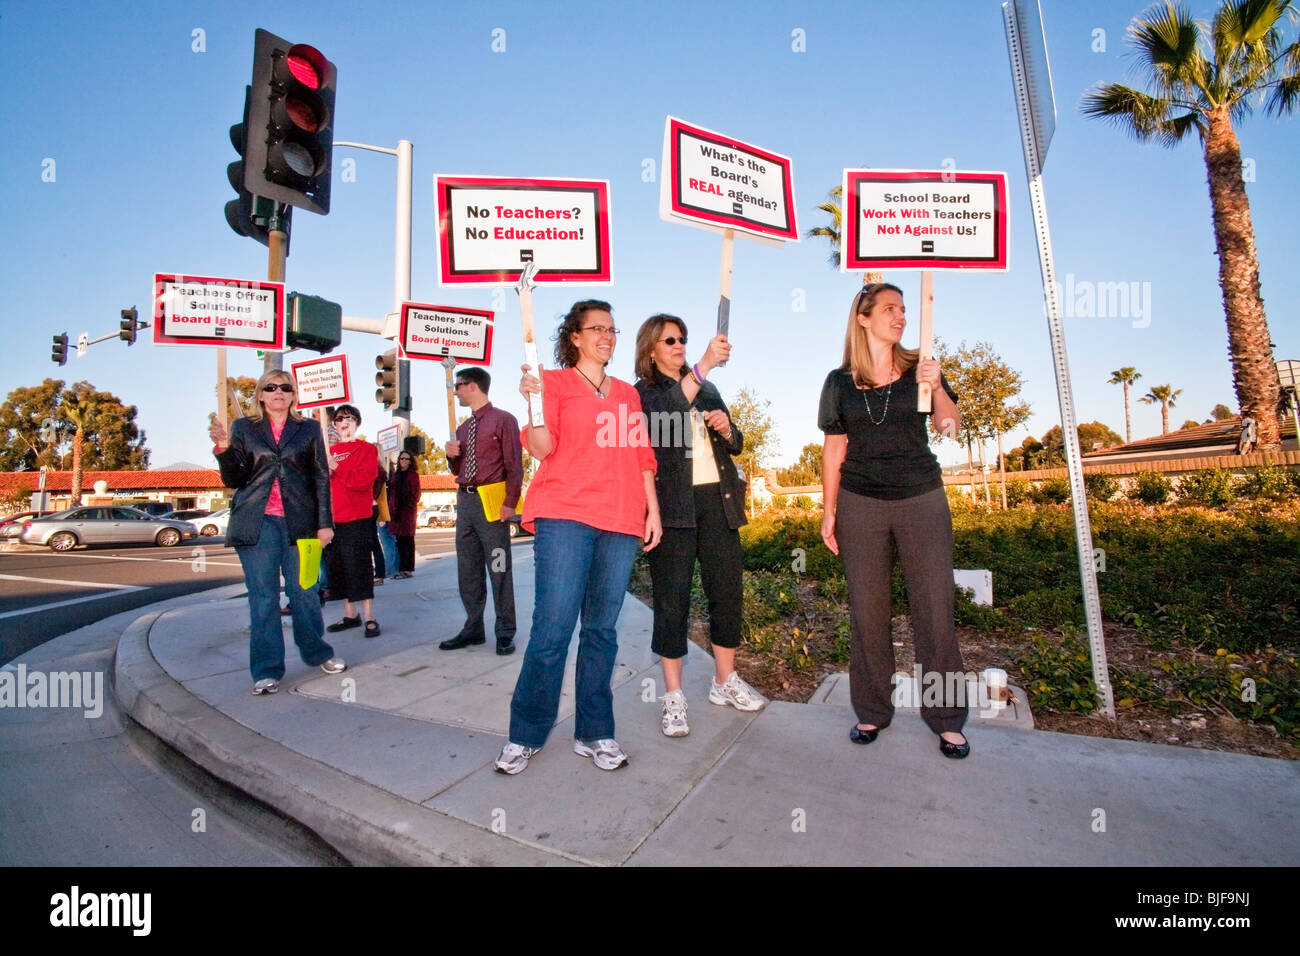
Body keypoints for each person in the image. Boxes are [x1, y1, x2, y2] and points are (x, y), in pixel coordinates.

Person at [494, 300, 662, 775]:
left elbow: (642, 455)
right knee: (553, 627)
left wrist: (653, 510)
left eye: (612, 329)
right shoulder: (551, 382)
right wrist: (533, 403)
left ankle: (594, 732)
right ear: (575, 336)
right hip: (565, 512)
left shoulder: (628, 394)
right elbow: (543, 448)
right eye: (596, 329)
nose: (606, 336)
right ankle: (525, 734)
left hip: (622, 517)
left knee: (602, 631)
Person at [818, 282, 970, 759]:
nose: (900, 316)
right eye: (889, 309)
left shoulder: (919, 370)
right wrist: (829, 510)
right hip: (860, 503)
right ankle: (871, 709)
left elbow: (950, 427)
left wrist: (938, 384)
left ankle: (946, 719)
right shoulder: (838, 382)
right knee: (867, 611)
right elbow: (834, 449)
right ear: (863, 318)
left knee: (934, 608)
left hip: (921, 499)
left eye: (903, 309)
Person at [633, 314, 764, 738]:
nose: (679, 345)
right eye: (669, 339)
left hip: (717, 502)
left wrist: (728, 430)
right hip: (673, 507)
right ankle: (673, 696)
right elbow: (666, 421)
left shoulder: (708, 390)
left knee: (726, 591)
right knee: (672, 600)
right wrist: (702, 365)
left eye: (683, 339)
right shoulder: (643, 394)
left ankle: (724, 681)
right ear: (651, 348)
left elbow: (738, 445)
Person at [208, 370, 345, 695]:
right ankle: (267, 669)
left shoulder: (309, 429)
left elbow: (321, 477)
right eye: (270, 387)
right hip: (257, 524)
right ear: (260, 395)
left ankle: (317, 652)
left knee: (305, 592)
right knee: (264, 597)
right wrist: (224, 449)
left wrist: (325, 523)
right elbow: (234, 479)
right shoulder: (244, 428)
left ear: (294, 395)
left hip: (302, 525)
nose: (278, 392)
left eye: (285, 387)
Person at [441, 367, 524, 654]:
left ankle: (505, 631)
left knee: (499, 568)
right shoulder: (462, 429)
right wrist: (450, 456)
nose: (456, 392)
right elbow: (458, 469)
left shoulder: (504, 420)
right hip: (465, 503)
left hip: (492, 503)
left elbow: (515, 465)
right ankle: (473, 627)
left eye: (459, 386)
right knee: (468, 570)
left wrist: (510, 503)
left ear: (473, 386)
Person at [324, 404, 383, 638]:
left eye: (349, 418)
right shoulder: (328, 451)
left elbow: (363, 480)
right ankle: (350, 614)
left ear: (357, 422)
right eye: (339, 419)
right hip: (332, 519)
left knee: (359, 566)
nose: (344, 422)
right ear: (335, 425)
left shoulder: (366, 449)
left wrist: (336, 467)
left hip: (356, 517)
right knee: (337, 568)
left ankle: (369, 616)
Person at [387, 450, 422, 578]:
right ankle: (401, 569)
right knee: (399, 542)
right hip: (396, 512)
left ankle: (407, 569)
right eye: (402, 458)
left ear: (411, 461)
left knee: (407, 541)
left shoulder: (413, 476)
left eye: (407, 459)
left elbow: (416, 494)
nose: (404, 461)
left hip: (407, 512)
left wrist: (409, 504)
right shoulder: (395, 476)